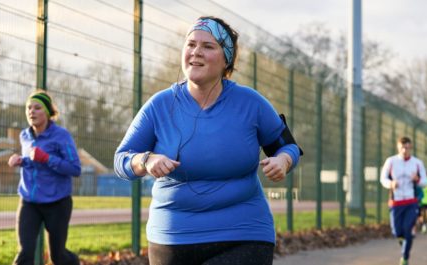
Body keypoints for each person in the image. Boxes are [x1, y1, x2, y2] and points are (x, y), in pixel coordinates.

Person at [114, 16, 302, 265]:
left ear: (226, 59)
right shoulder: (160, 105)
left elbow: (288, 146)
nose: (196, 52)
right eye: (191, 44)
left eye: (208, 46)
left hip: (244, 233)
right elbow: (121, 159)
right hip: (173, 236)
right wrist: (145, 160)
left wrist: (284, 161)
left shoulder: (250, 103)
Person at [8, 90, 81, 265]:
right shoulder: (24, 135)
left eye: (37, 108)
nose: (31, 111)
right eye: (28, 108)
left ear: (48, 112)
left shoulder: (61, 136)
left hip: (57, 202)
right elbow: (32, 161)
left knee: (58, 257)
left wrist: (48, 158)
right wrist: (20, 160)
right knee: (25, 254)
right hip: (29, 201)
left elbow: (75, 168)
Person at [380, 136, 427, 265]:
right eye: (402, 147)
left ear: (410, 147)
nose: (405, 150)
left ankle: (405, 257)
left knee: (407, 230)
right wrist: (391, 183)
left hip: (411, 201)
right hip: (396, 202)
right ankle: (404, 240)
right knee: (396, 231)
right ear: (398, 147)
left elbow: (425, 182)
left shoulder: (417, 163)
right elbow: (383, 179)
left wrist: (417, 179)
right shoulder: (391, 161)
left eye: (407, 147)